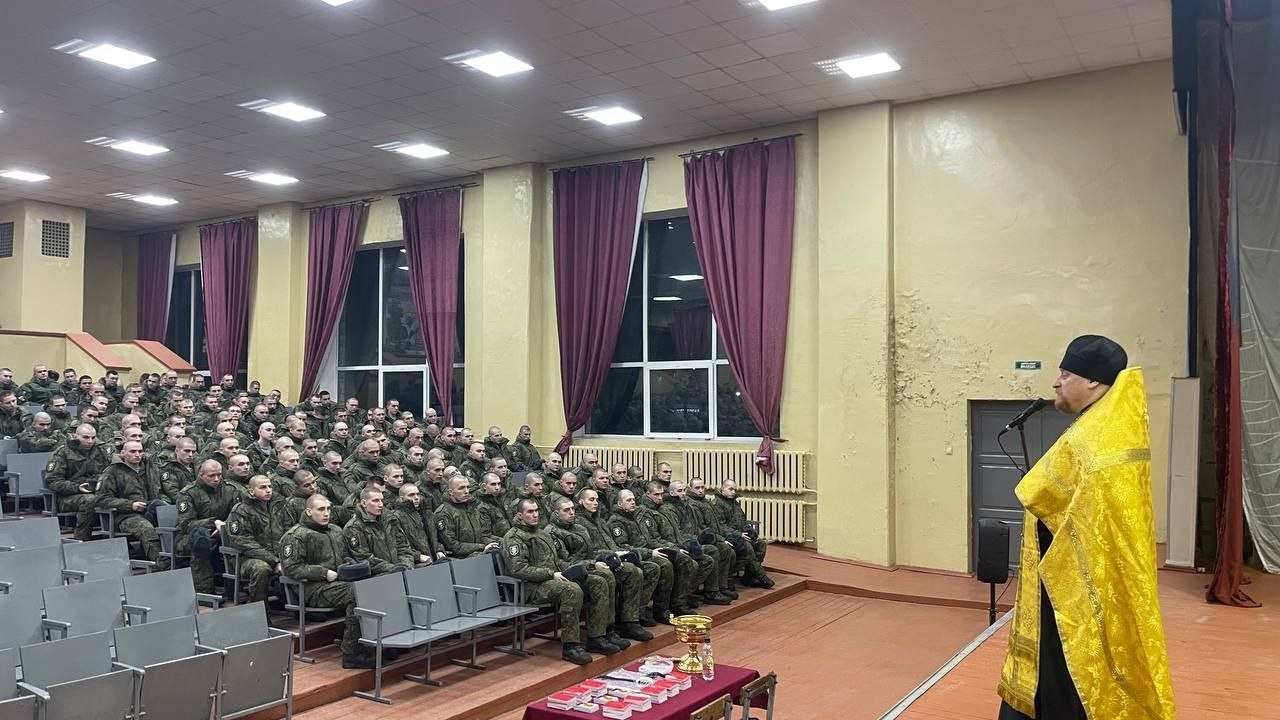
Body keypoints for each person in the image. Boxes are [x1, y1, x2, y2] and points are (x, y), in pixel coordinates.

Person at [997, 335, 1175, 720]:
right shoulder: (1104, 424)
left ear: (1092, 380)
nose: (1056, 382)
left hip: (1080, 592)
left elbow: (1052, 497)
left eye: (1065, 373)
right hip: (1069, 583)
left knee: (1075, 674)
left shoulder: (1100, 438)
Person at [503, 498, 616, 665]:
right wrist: (551, 574)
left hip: (552, 579)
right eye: (530, 512)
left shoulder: (541, 533)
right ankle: (571, 646)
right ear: (520, 515)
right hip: (531, 586)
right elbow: (519, 569)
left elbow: (557, 562)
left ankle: (597, 636)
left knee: (597, 581)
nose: (535, 515)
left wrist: (589, 565)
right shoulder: (514, 538)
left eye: (536, 511)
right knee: (571, 590)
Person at [281, 494, 375, 669]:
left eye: (328, 509)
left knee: (372, 586)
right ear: (309, 511)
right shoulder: (296, 535)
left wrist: (350, 565)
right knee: (356, 594)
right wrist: (323, 573)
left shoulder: (335, 530)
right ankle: (351, 653)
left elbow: (344, 555)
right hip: (313, 588)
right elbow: (291, 568)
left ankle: (372, 643)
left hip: (337, 583)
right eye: (321, 509)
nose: (326, 513)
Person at [94, 440, 165, 563]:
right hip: (126, 515)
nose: (137, 454)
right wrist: (130, 505)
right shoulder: (112, 472)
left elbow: (163, 490)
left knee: (172, 522)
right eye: (133, 451)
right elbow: (101, 499)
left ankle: (177, 559)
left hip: (152, 509)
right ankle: (163, 563)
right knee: (146, 528)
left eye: (140, 451)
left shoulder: (150, 468)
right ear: (123, 453)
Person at [226, 475, 293, 603]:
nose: (268, 490)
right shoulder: (241, 511)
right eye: (263, 487)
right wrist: (274, 561)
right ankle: (260, 609)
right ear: (251, 491)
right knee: (261, 568)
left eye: (269, 486)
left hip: (278, 554)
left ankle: (295, 605)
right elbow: (243, 542)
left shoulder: (280, 505)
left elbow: (290, 531)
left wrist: (286, 556)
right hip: (248, 558)